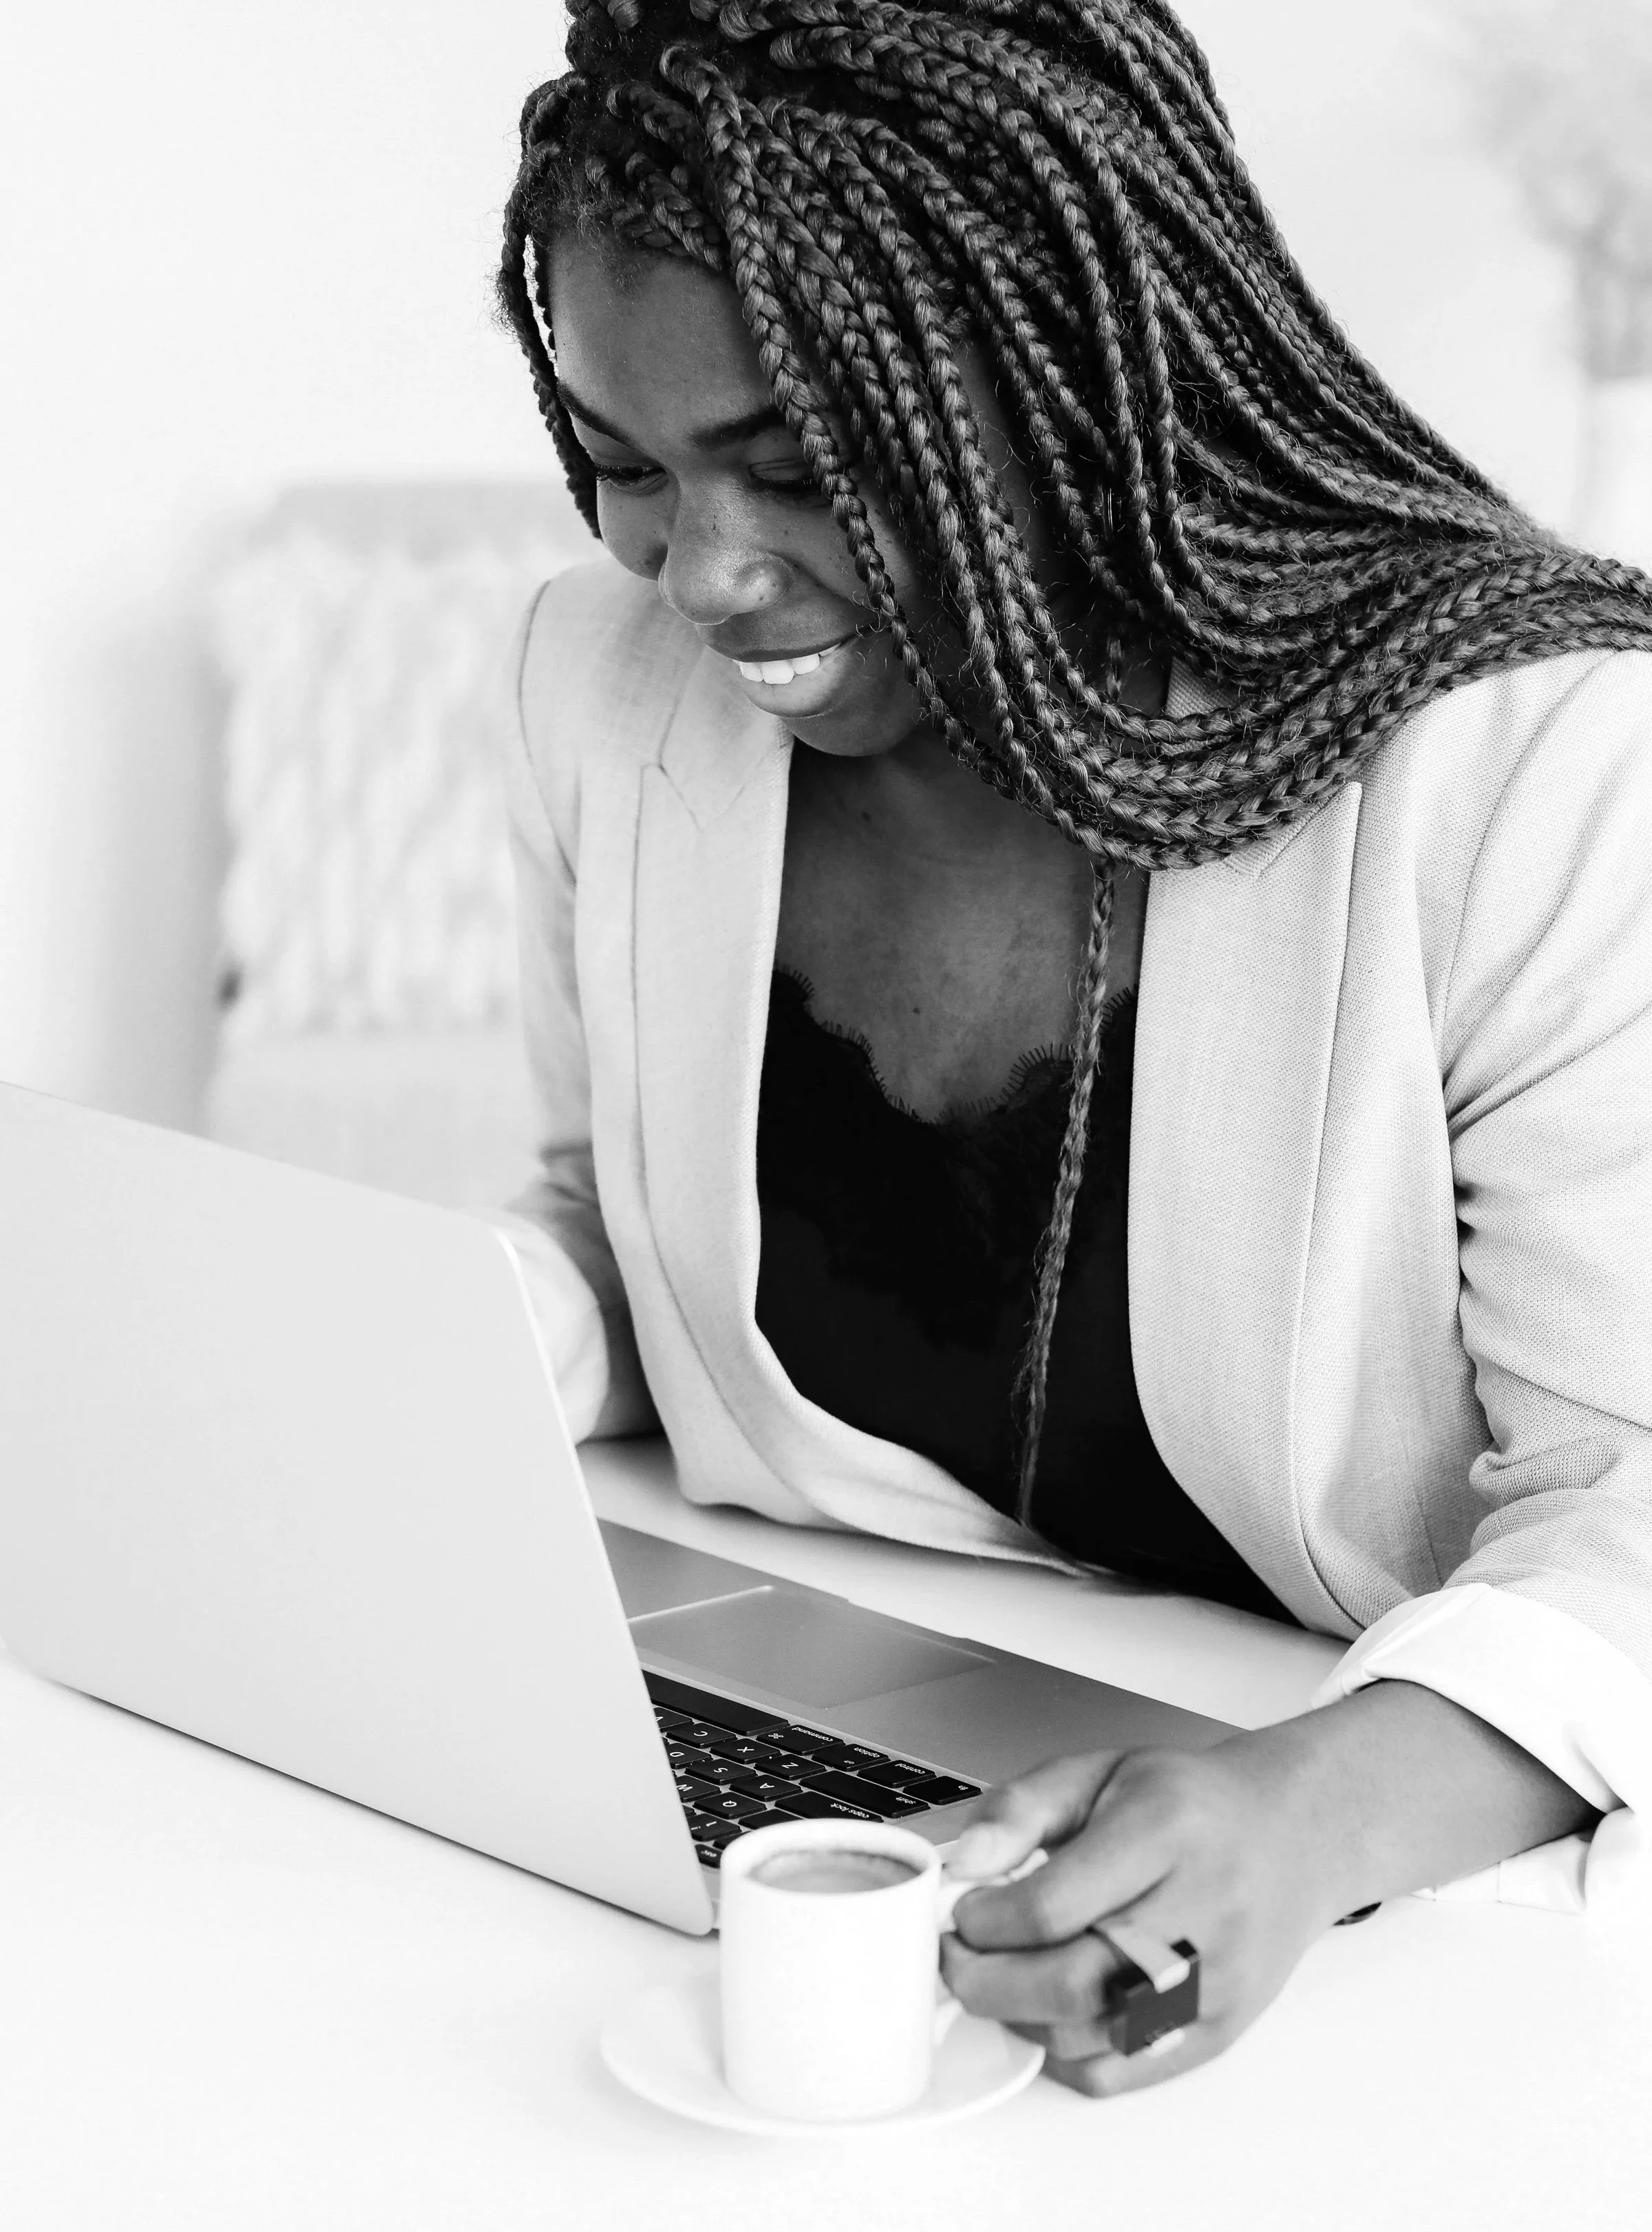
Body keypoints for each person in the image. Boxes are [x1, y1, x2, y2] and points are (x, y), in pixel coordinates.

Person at [494, 0, 1652, 2096]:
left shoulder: (1537, 763)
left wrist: (1318, 1807)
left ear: (1081, 372)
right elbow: (606, 1204)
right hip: (841, 1756)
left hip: (1408, 1916)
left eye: (798, 464)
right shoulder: (596, 681)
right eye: (625, 466)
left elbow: (1633, 1494)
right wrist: (429, 1335)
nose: (708, 573)